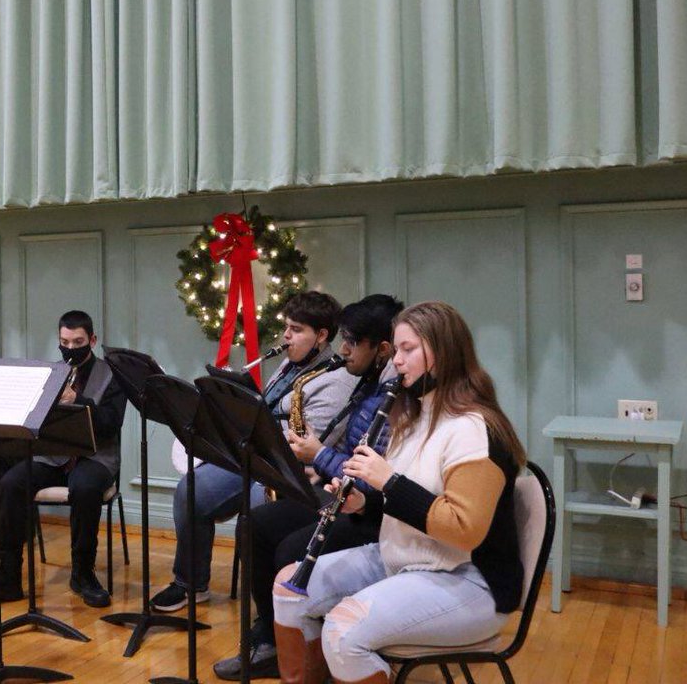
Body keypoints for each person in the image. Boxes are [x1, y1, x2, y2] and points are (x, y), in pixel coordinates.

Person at [272, 301, 526, 684]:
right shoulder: (417, 414)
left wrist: (387, 481)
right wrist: (364, 500)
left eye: (409, 350)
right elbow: (408, 496)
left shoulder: (475, 429)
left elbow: (464, 528)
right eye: (397, 349)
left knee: (343, 631)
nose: (398, 361)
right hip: (404, 558)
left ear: (443, 354)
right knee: (289, 590)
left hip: (470, 580)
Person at [212, 294, 403, 680]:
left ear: (381, 349)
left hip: (372, 511)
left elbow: (371, 475)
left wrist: (319, 456)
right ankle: (271, 636)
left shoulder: (391, 394)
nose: (344, 349)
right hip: (343, 491)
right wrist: (325, 463)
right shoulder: (367, 383)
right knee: (257, 523)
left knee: (288, 548)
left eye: (351, 342)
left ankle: (305, 650)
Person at [151, 291, 357, 612]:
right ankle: (190, 584)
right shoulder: (290, 363)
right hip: (251, 454)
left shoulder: (336, 380)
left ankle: (268, 609)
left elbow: (304, 445)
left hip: (286, 472)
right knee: (190, 489)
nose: (286, 336)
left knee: (258, 515)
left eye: (297, 329)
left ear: (321, 336)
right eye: (286, 326)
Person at [0, 310, 127, 608]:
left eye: (78, 341)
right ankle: (7, 577)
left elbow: (112, 423)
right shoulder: (51, 373)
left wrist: (78, 401)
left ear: (92, 340)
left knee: (86, 488)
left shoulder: (111, 375)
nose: (71, 348)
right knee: (11, 483)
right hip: (53, 457)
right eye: (65, 341)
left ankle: (83, 573)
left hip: (95, 458)